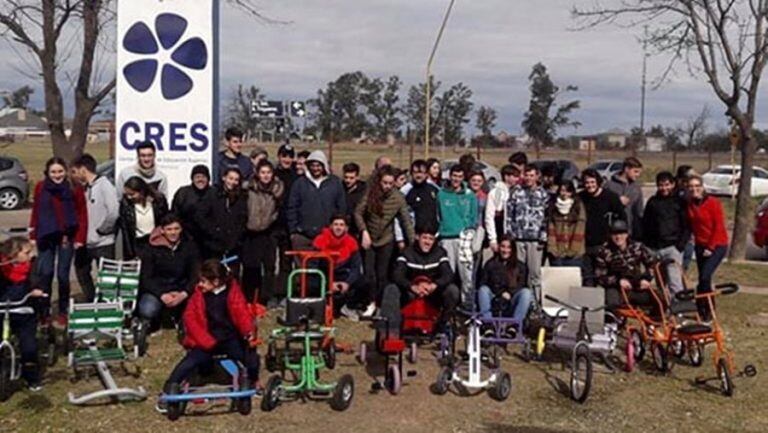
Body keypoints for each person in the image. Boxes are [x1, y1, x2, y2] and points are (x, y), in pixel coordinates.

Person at [161, 259, 259, 405]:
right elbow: (190, 319)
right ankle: (171, 385)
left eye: (204, 281)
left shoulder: (232, 292)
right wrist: (205, 341)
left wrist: (248, 331)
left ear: (216, 281)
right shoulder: (198, 296)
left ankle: (252, 381)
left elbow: (241, 313)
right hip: (206, 339)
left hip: (229, 338)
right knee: (189, 362)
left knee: (251, 358)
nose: (200, 284)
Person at [29, 157, 87, 325]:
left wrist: (80, 238)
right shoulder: (41, 187)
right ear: (47, 172)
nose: (57, 175)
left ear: (66, 171)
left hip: (66, 237)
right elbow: (36, 211)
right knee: (45, 274)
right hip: (45, 236)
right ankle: (44, 311)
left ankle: (63, 310)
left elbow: (82, 214)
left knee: (63, 275)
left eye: (60, 171)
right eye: (53, 172)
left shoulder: (74, 188)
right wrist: (32, 235)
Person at [378, 224, 460, 337]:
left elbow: (448, 274)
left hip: (432, 295)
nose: (427, 242)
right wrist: (412, 286)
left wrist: (434, 285)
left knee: (453, 291)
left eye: (431, 239)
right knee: (391, 288)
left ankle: (441, 325)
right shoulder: (407, 253)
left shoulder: (440, 253)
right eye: (425, 238)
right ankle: (390, 331)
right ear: (417, 237)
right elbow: (397, 275)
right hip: (411, 295)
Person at [355, 165, 415, 316]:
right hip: (369, 237)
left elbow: (406, 221)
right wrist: (364, 231)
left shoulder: (398, 198)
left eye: (390, 183)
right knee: (369, 274)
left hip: (386, 239)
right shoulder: (370, 194)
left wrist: (413, 242)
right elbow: (358, 213)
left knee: (382, 275)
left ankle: (380, 305)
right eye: (384, 183)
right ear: (379, 182)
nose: (387, 186)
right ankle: (370, 302)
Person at [137, 215, 199, 331]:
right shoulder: (151, 249)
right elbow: (146, 278)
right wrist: (162, 294)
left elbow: (195, 274)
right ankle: (154, 322)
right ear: (162, 230)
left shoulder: (189, 246)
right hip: (159, 290)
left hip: (181, 288)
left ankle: (182, 319)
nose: (173, 233)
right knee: (148, 309)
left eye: (176, 229)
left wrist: (184, 293)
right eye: (169, 229)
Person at [71, 154, 119, 302]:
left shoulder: (104, 185)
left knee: (106, 276)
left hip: (103, 242)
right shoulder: (84, 188)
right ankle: (91, 299)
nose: (74, 176)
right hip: (86, 242)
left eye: (75, 171)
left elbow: (113, 211)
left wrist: (103, 229)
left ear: (83, 170)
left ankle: (107, 303)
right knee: (81, 270)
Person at [0, 237, 46, 391]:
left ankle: (31, 378)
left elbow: (37, 281)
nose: (30, 255)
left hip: (24, 311)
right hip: (3, 310)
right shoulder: (3, 268)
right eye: (26, 252)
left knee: (29, 347)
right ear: (14, 254)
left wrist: (36, 290)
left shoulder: (32, 267)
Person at [686, 174, 729, 321]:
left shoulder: (713, 203)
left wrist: (710, 247)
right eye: (691, 187)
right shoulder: (690, 204)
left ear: (702, 187)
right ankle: (704, 309)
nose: (694, 189)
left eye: (697, 186)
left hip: (717, 244)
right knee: (704, 278)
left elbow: (718, 226)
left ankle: (706, 308)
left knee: (704, 276)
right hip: (700, 245)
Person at [242, 161, 284, 306]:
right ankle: (249, 295)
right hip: (251, 231)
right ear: (257, 174)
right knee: (250, 266)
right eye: (263, 172)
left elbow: (278, 209)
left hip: (268, 231)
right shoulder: (249, 189)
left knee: (269, 266)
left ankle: (267, 297)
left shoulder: (277, 190)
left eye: (268, 172)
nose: (266, 176)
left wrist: (272, 219)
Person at [286, 150, 346, 250]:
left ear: (324, 166)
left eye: (318, 165)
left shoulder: (335, 183)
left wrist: (338, 230)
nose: (315, 168)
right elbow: (292, 208)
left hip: (327, 236)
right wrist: (293, 231)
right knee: (304, 265)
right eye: (312, 165)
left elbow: (341, 208)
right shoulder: (300, 183)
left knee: (326, 265)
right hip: (303, 236)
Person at [595, 220, 658, 313]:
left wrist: (646, 278)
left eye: (621, 233)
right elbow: (600, 277)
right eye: (614, 234)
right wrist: (618, 281)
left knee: (660, 299)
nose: (618, 237)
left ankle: (655, 323)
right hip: (616, 288)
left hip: (636, 285)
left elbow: (652, 265)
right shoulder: (604, 251)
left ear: (627, 234)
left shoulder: (637, 247)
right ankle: (614, 324)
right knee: (612, 304)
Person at [642, 171, 689, 296]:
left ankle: (677, 308)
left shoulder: (680, 202)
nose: (664, 188)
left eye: (667, 185)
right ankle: (664, 305)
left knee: (675, 280)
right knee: (661, 282)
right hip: (654, 248)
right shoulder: (652, 202)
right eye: (661, 185)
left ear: (673, 184)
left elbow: (686, 225)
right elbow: (646, 222)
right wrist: (646, 244)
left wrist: (680, 246)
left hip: (672, 247)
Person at [505, 164, 549, 300]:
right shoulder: (516, 192)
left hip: (535, 240)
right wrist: (509, 235)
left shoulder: (543, 194)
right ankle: (518, 300)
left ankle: (534, 302)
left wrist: (543, 236)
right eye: (526, 175)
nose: (529, 178)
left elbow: (547, 217)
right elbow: (509, 215)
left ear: (537, 176)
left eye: (532, 175)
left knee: (534, 273)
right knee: (518, 272)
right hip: (518, 238)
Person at [437, 164, 477, 310]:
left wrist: (468, 231)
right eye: (454, 176)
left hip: (464, 238)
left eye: (460, 177)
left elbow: (474, 216)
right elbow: (438, 215)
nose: (456, 179)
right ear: (450, 176)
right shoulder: (441, 194)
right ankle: (448, 305)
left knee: (466, 274)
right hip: (447, 237)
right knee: (448, 273)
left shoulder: (469, 195)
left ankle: (467, 305)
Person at [312, 215, 365, 320]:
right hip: (324, 275)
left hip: (343, 276)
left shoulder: (352, 242)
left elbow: (356, 267)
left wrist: (347, 283)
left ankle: (348, 307)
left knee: (365, 281)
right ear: (331, 226)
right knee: (309, 281)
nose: (338, 227)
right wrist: (328, 283)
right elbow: (314, 266)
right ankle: (318, 307)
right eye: (336, 224)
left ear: (346, 228)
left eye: (341, 225)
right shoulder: (320, 240)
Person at [579, 169, 626, 286]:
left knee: (606, 278)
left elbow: (622, 219)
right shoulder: (580, 197)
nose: (589, 185)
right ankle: (590, 304)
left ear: (598, 182)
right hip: (585, 245)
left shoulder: (610, 197)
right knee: (588, 278)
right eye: (586, 183)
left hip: (605, 245)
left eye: (592, 182)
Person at [477, 235, 532, 329]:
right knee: (483, 290)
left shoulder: (520, 266)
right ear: (499, 247)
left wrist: (510, 293)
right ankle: (488, 325)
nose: (505, 250)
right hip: (495, 299)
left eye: (508, 247)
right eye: (503, 246)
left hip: (511, 299)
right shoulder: (490, 264)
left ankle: (514, 325)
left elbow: (521, 284)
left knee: (526, 293)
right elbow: (484, 282)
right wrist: (500, 293)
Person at [195, 168, 248, 261]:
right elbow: (201, 217)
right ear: (224, 178)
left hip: (232, 247)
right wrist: (214, 232)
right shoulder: (212, 194)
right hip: (212, 245)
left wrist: (236, 239)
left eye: (236, 180)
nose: (233, 182)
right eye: (230, 178)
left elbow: (242, 220)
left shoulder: (241, 197)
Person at [119, 176, 169, 260]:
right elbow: (126, 231)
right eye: (127, 194)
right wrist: (131, 253)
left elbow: (165, 221)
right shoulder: (126, 204)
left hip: (156, 241)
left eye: (132, 194)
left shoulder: (158, 201)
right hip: (138, 243)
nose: (129, 197)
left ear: (141, 191)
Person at [171, 164, 211, 250]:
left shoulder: (214, 193)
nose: (200, 179)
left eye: (203, 177)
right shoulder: (183, 193)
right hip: (186, 238)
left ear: (208, 179)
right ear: (192, 179)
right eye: (197, 177)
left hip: (209, 240)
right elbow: (175, 215)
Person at [547, 181, 586, 267]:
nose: (565, 194)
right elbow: (551, 228)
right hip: (558, 252)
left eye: (568, 191)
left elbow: (580, 228)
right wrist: (553, 248)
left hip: (575, 253)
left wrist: (574, 249)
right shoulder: (553, 206)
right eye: (562, 190)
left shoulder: (578, 205)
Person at [605, 156, 644, 238]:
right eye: (635, 172)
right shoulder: (609, 185)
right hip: (611, 231)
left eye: (639, 172)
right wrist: (616, 201)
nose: (638, 175)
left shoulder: (636, 188)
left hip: (629, 232)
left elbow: (639, 212)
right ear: (626, 169)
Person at [485, 165, 520, 253]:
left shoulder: (518, 191)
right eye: (514, 176)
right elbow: (489, 217)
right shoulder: (495, 193)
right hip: (500, 231)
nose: (517, 179)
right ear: (506, 176)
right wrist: (492, 239)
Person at [676, 165, 695, 271]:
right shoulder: (676, 192)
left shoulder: (690, 191)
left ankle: (683, 275)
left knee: (687, 257)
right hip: (677, 231)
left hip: (689, 231)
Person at [342, 162, 367, 237]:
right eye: (346, 177)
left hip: (357, 230)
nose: (348, 181)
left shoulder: (363, 191)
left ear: (357, 177)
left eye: (351, 178)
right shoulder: (339, 189)